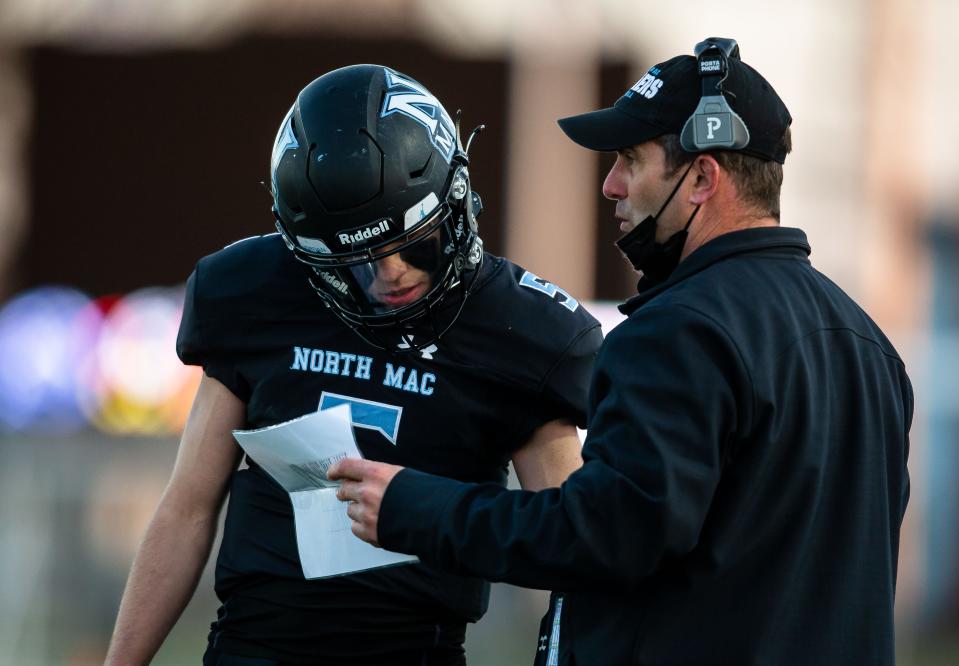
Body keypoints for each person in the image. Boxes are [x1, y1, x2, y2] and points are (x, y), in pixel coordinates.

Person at [331, 38, 914, 665]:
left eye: (631, 160)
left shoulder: (680, 331)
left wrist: (417, 508)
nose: (610, 186)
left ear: (702, 177)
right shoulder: (869, 345)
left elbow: (603, 537)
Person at [105, 65, 602, 666]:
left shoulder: (522, 330)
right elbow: (187, 507)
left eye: (416, 242)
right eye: (357, 262)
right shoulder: (255, 294)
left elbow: (573, 546)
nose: (391, 274)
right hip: (253, 647)